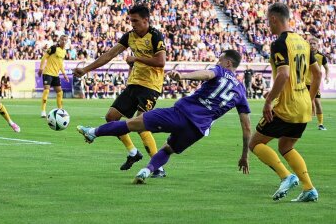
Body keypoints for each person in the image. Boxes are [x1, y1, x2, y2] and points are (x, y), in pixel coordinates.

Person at [76, 50, 251, 184]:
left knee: (131, 124)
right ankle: (147, 170)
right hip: (197, 130)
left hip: (180, 114)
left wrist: (183, 76)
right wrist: (244, 155)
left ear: (228, 63)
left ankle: (93, 132)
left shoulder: (220, 71)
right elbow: (246, 127)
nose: (217, 62)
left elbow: (207, 74)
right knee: (168, 149)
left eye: (220, 59)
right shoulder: (241, 92)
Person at [73, 4, 167, 176]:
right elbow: (109, 55)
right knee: (111, 117)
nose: (132, 24)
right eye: (131, 20)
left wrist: (136, 58)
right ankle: (133, 153)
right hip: (134, 83)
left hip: (151, 86)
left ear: (146, 20)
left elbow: (161, 62)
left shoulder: (155, 36)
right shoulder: (129, 36)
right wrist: (86, 69)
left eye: (136, 21)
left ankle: (158, 167)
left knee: (141, 124)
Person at [249, 3, 322, 202]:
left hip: (287, 107)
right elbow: (318, 73)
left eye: (267, 21)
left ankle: (286, 176)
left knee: (255, 143)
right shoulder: (303, 42)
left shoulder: (279, 43)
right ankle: (309, 189)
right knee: (286, 146)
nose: (268, 25)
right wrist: (310, 97)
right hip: (304, 106)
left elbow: (283, 74)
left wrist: (268, 101)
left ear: (273, 18)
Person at [38, 35, 69, 118]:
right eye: (63, 39)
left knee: (60, 92)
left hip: (55, 74)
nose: (64, 41)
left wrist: (64, 74)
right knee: (46, 90)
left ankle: (60, 110)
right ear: (60, 40)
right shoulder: (54, 48)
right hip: (47, 73)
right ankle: (43, 111)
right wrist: (41, 68)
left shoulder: (64, 51)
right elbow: (44, 57)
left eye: (66, 40)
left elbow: (60, 64)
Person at [306, 37, 330, 130]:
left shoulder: (321, 56)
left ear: (317, 45)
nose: (312, 45)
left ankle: (320, 124)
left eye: (314, 44)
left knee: (318, 103)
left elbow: (327, 68)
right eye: (310, 43)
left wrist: (327, 77)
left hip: (314, 83)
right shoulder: (305, 54)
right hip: (304, 83)